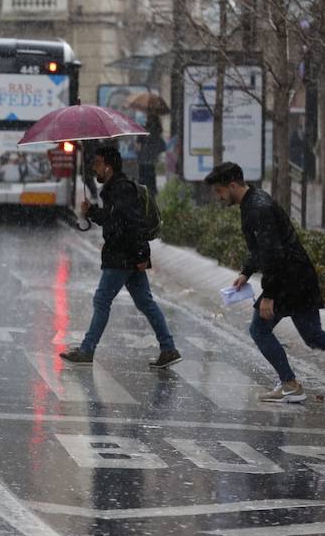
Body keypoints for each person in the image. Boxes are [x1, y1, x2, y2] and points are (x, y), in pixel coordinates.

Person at [204, 162, 324, 403]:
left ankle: (290, 384)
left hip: (288, 280)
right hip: (297, 276)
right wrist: (246, 272)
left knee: (259, 329)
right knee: (312, 336)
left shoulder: (257, 208)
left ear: (233, 185)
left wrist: (269, 295)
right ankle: (289, 384)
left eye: (219, 191)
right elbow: (262, 249)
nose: (218, 197)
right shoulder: (253, 202)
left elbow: (273, 253)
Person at [60, 145, 182, 368]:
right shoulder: (114, 188)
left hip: (123, 255)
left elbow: (131, 223)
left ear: (108, 166)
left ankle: (87, 350)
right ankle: (168, 348)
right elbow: (114, 219)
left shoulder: (120, 189)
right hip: (128, 254)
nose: (93, 168)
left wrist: (141, 254)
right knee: (145, 302)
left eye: (97, 163)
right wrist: (93, 212)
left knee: (102, 300)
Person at [137, 114, 165, 198]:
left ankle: (142, 194)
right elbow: (161, 146)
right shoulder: (158, 129)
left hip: (143, 158)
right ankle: (151, 195)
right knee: (151, 178)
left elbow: (138, 146)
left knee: (142, 179)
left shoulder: (143, 129)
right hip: (151, 158)